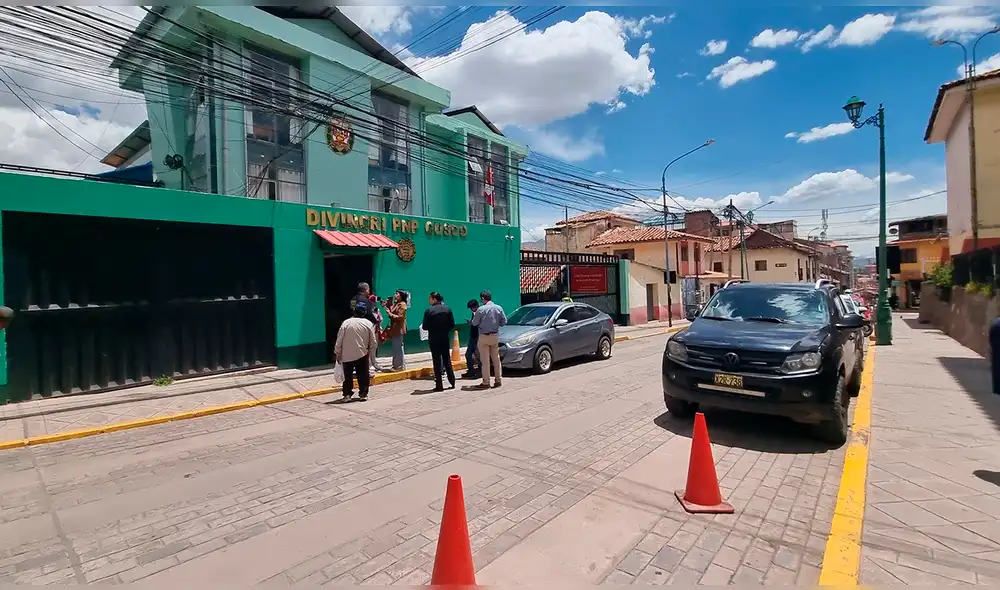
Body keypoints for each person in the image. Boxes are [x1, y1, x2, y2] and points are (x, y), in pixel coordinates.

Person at [335, 301, 378, 401]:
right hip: (362, 353)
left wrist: (338, 352)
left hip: (346, 354)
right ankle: (363, 394)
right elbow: (373, 341)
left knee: (347, 376)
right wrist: (372, 352)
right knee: (363, 374)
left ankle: (347, 394)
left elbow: (339, 339)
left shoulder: (346, 323)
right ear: (364, 313)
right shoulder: (368, 324)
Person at [472, 289, 506, 389]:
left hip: (483, 336)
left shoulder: (481, 310)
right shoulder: (498, 308)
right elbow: (504, 321)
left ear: (483, 298)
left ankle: (486, 382)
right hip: (495, 335)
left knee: (485, 360)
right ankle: (498, 380)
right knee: (496, 359)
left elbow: (474, 323)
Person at [422, 291, 456, 391]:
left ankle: (439, 385)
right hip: (445, 337)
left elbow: (425, 326)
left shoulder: (429, 311)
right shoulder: (447, 309)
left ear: (434, 299)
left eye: (430, 298)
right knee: (447, 360)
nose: (429, 300)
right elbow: (452, 324)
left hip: (434, 338)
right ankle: (452, 381)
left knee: (436, 361)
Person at [350, 282, 383, 372]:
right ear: (365, 290)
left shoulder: (353, 299)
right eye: (368, 289)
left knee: (358, 345)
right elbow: (370, 313)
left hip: (355, 325)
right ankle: (368, 364)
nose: (369, 291)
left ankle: (356, 365)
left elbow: (352, 310)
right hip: (366, 326)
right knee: (369, 345)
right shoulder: (367, 301)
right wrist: (376, 321)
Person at [384, 289, 408, 371]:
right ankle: (400, 365)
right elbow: (391, 310)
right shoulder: (396, 303)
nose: (395, 295)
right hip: (395, 328)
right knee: (397, 347)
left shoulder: (403, 305)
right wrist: (387, 305)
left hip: (399, 328)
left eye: (397, 293)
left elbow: (400, 317)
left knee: (397, 347)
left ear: (401, 295)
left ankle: (398, 366)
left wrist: (389, 314)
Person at [463, 299, 481, 379]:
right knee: (468, 354)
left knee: (479, 355)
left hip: (478, 337)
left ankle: (480, 371)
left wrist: (472, 323)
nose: (471, 310)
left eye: (472, 308)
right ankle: (471, 371)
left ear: (476, 306)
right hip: (473, 336)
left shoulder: (480, 313)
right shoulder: (474, 314)